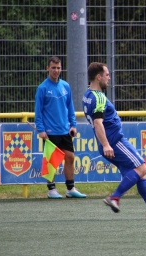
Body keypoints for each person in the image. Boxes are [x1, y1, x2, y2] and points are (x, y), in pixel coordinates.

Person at [82, 62, 146, 219]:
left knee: (139, 174)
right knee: (142, 169)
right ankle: (114, 197)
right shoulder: (98, 98)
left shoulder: (88, 95)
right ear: (98, 77)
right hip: (114, 142)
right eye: (107, 75)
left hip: (109, 142)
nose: (109, 78)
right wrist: (106, 144)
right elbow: (98, 123)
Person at [35, 56, 86, 199]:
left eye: (58, 68)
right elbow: (38, 112)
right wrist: (41, 129)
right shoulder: (42, 88)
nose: (56, 70)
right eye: (53, 68)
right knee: (51, 161)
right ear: (47, 68)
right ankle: (51, 190)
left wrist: (73, 125)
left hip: (65, 131)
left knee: (70, 157)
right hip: (50, 132)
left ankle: (70, 189)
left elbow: (70, 107)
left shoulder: (65, 86)